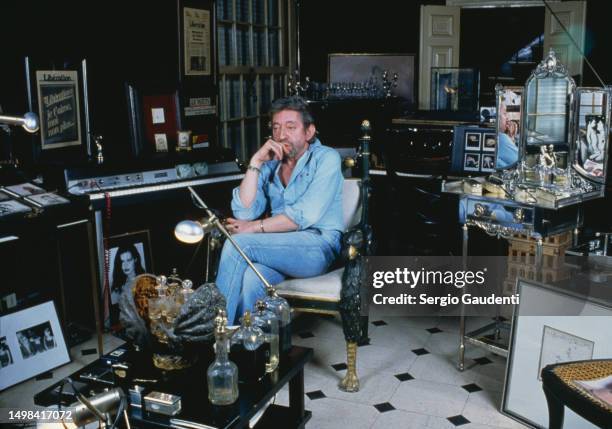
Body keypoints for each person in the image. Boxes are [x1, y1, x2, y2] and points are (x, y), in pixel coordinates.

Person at [216, 96, 343, 324]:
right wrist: (256, 162)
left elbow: (304, 216)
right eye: (276, 127)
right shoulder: (272, 164)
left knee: (237, 243)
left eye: (291, 127)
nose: (281, 134)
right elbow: (244, 211)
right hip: (278, 248)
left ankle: (214, 332)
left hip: (317, 247)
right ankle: (245, 350)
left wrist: (253, 228)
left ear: (309, 132)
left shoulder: (326, 158)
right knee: (252, 281)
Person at [110, 244, 145, 323]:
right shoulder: (117, 283)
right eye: (122, 261)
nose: (125, 265)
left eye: (129, 260)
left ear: (135, 259)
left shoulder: (144, 280)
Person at [496, 98, 519, 169]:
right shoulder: (501, 137)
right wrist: (510, 139)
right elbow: (519, 161)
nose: (508, 118)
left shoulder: (502, 137)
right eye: (505, 114)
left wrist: (511, 138)